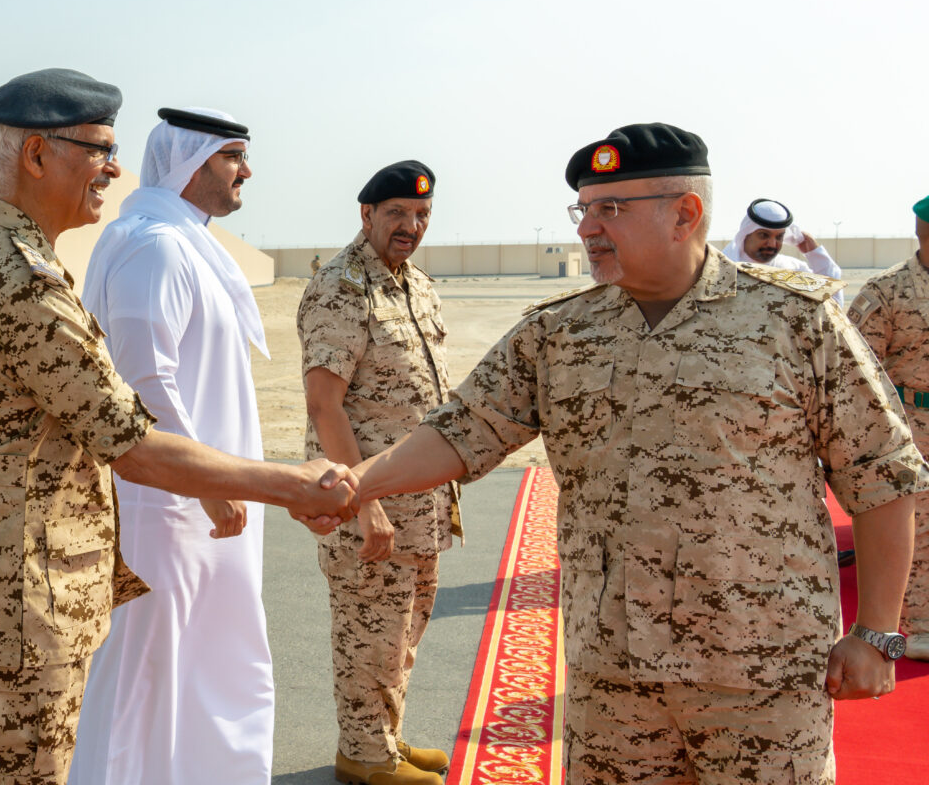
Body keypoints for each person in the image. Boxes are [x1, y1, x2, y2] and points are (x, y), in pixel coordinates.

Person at [345, 124, 924, 783]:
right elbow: (460, 430)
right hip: (611, 682)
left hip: (764, 680)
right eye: (583, 209)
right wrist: (354, 484)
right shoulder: (559, 332)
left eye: (611, 208)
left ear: (685, 213)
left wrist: (876, 633)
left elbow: (883, 476)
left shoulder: (796, 323)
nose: (588, 228)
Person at [0, 69, 354, 785]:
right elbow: (135, 440)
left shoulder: (6, 255)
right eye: (98, 150)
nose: (114, 170)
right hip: (18, 600)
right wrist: (290, 484)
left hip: (8, 589)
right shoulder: (21, 279)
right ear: (36, 155)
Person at [69, 107, 277, 784]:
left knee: (209, 671)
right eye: (232, 156)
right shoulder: (154, 246)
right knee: (141, 686)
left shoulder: (185, 242)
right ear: (189, 161)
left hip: (201, 507)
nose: (246, 171)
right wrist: (207, 485)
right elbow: (143, 382)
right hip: (164, 509)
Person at [297, 160, 460, 785]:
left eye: (421, 215)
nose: (410, 226)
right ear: (366, 215)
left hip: (421, 499)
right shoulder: (342, 287)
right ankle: (365, 756)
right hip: (368, 501)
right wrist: (363, 502)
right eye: (397, 213)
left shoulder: (416, 285)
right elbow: (324, 405)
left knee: (403, 630)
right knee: (369, 632)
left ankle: (384, 738)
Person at [847, 194, 929, 661]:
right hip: (909, 422)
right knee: (919, 522)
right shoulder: (887, 292)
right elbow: (857, 370)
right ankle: (921, 626)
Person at [722, 197, 844, 306]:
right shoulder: (724, 271)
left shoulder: (794, 269)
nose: (772, 244)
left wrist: (815, 253)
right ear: (746, 234)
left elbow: (834, 304)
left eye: (779, 237)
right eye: (763, 235)